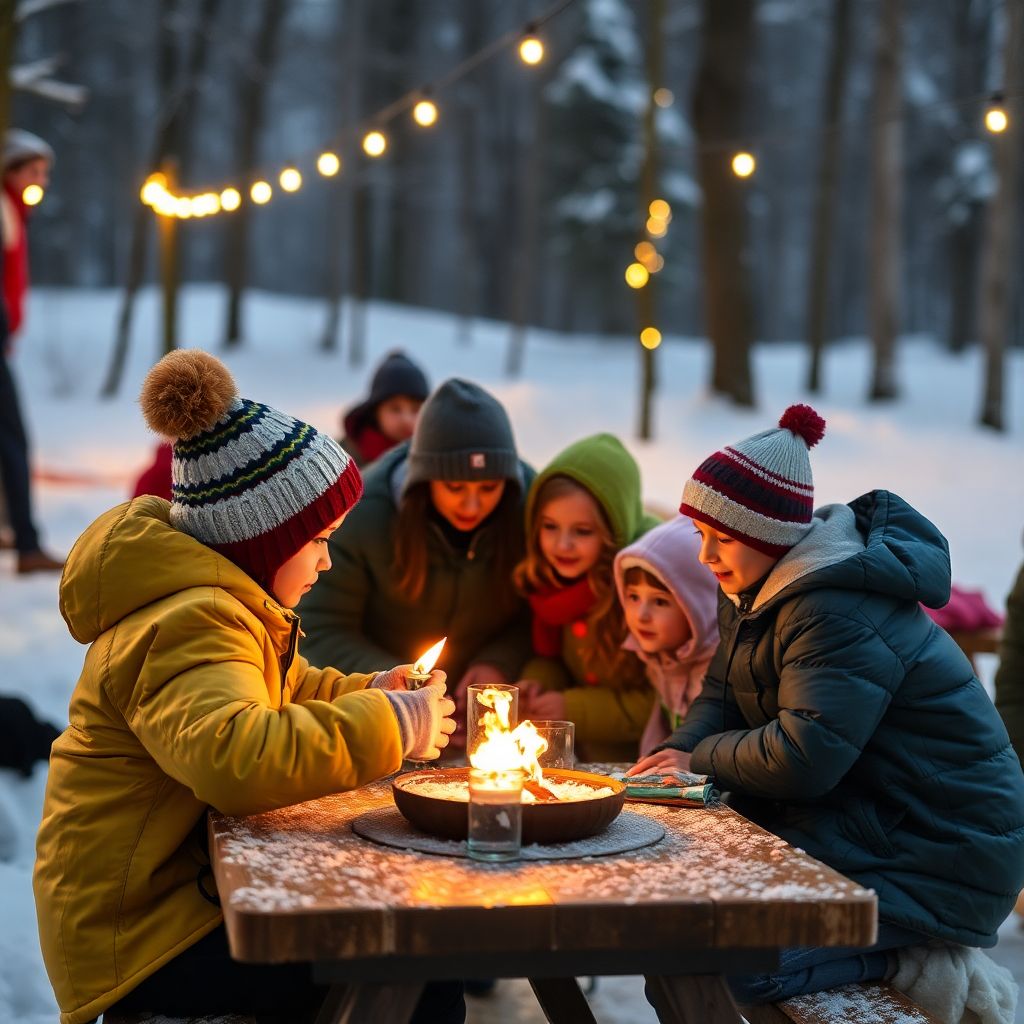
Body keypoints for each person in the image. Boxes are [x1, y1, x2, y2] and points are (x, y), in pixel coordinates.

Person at [33, 350, 461, 1024]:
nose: (328, 557)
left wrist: (373, 687)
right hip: (143, 935)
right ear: (261, 544)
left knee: (397, 960)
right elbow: (237, 755)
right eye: (318, 539)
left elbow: (279, 693)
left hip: (176, 898)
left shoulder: (219, 606)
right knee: (408, 976)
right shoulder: (189, 621)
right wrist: (390, 724)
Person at [628, 404, 1024, 1005]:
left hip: (937, 853)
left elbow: (805, 754)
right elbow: (721, 695)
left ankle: (909, 950)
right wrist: (679, 749)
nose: (706, 557)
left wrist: (700, 760)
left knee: (732, 966)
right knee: (681, 932)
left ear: (772, 537)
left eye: (722, 540)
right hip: (861, 824)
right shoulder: (753, 587)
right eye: (701, 536)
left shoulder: (833, 610)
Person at [303, 377, 534, 735]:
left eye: (489, 488)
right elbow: (320, 627)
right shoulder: (364, 516)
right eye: (455, 487)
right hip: (385, 717)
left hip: (490, 719)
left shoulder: (532, 509)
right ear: (425, 480)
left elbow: (538, 612)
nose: (472, 505)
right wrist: (403, 685)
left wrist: (498, 662)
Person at [513, 434, 661, 762]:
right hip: (584, 762)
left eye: (582, 532)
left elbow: (660, 703)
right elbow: (553, 658)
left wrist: (571, 707)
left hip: (644, 766)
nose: (562, 545)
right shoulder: (549, 582)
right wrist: (537, 684)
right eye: (550, 527)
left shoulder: (645, 588)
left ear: (613, 532)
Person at [0, 128, 63, 574]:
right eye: (33, 171)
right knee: (13, 440)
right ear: (12, 170)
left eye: (45, 173)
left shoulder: (14, 213)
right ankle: (27, 544)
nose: (40, 180)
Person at [613, 515, 720, 757]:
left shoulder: (718, 670)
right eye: (633, 597)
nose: (641, 615)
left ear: (696, 606)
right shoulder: (662, 658)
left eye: (660, 601)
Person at [339, 349, 429, 467]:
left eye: (416, 409)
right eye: (395, 409)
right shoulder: (343, 457)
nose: (406, 419)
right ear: (375, 413)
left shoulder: (439, 456)